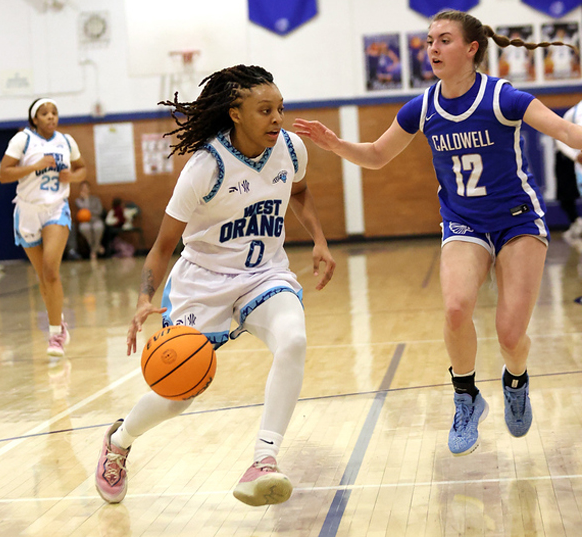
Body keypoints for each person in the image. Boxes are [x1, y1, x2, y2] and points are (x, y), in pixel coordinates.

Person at [293, 9, 582, 457]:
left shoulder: (504, 98)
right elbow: (377, 155)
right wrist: (335, 144)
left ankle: (516, 380)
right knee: (455, 308)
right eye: (429, 41)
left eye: (444, 40)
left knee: (510, 336)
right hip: (464, 222)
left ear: (471, 49)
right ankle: (466, 398)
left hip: (518, 220)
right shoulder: (423, 107)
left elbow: (566, 131)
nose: (432, 49)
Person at [95, 65, 336, 506]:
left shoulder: (290, 148)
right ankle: (119, 440)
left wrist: (318, 239)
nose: (277, 118)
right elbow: (163, 246)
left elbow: (299, 192)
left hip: (263, 274)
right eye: (265, 110)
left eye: (280, 108)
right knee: (178, 393)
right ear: (235, 114)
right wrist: (144, 298)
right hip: (202, 282)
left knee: (293, 340)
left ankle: (263, 461)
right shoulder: (205, 167)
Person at [0, 98, 87, 356]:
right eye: (44, 113)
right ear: (34, 119)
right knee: (44, 278)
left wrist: (73, 176)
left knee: (50, 270)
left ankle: (55, 335)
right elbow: (4, 174)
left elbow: (82, 169)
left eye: (54, 112)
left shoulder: (66, 141)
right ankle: (58, 321)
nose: (50, 116)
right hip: (27, 211)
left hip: (55, 208)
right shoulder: (23, 140)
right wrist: (34, 166)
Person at [554, 101, 582, 242]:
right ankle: (575, 222)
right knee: (566, 195)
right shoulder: (574, 112)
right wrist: (575, 156)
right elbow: (559, 138)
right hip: (572, 159)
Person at [75, 180, 105, 260]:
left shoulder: (96, 199)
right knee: (84, 228)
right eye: (83, 188)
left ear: (89, 189)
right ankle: (96, 247)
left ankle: (93, 250)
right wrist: (86, 199)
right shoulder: (78, 200)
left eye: (86, 188)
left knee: (98, 227)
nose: (85, 190)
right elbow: (84, 210)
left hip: (96, 220)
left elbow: (99, 211)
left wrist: (90, 212)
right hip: (85, 221)